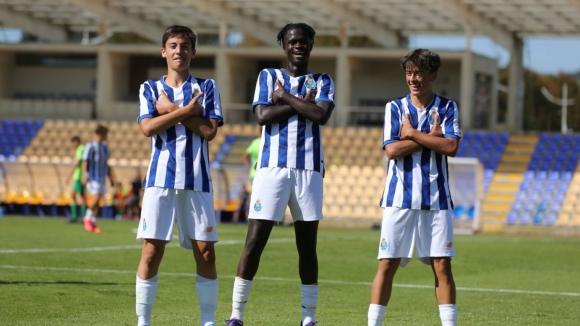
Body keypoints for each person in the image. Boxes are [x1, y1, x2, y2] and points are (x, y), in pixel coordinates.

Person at [226, 23, 335, 326]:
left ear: (312, 44)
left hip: (308, 171)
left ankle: (308, 317)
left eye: (304, 41)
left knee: (307, 246)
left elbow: (321, 115)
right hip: (271, 170)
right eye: (292, 41)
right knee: (254, 241)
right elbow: (262, 116)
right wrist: (302, 102)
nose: (298, 46)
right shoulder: (267, 76)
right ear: (284, 46)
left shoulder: (323, 80)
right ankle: (236, 313)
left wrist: (284, 96)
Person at [135, 25, 223, 326]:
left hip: (197, 181)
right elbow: (147, 128)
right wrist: (187, 112)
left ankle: (208, 322)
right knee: (151, 252)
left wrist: (172, 110)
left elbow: (209, 131)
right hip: (160, 181)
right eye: (173, 46)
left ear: (193, 52)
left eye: (185, 46)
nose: (178, 51)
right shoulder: (149, 89)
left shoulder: (207, 87)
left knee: (206, 253)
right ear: (163, 51)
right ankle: (143, 322)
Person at [367, 49, 460, 326]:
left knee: (442, 265)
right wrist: (428, 138)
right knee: (387, 264)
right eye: (409, 73)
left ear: (433, 76)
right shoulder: (394, 108)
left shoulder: (448, 107)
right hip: (399, 199)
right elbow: (392, 150)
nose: (413, 78)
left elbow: (451, 146)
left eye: (419, 73)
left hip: (437, 200)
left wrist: (412, 134)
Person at [82, 125, 115, 233]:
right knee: (96, 197)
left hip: (102, 178)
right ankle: (87, 218)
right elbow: (85, 162)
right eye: (106, 134)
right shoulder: (90, 146)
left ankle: (93, 222)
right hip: (93, 178)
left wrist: (111, 178)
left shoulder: (104, 147)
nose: (107, 137)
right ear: (100, 134)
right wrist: (85, 176)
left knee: (99, 201)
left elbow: (106, 164)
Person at [65, 136, 86, 222]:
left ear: (76, 141)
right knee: (80, 196)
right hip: (78, 176)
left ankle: (79, 217)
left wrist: (69, 175)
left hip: (79, 177)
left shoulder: (80, 149)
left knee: (75, 195)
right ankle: (81, 217)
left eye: (73, 142)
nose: (73, 145)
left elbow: (78, 163)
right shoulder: (81, 149)